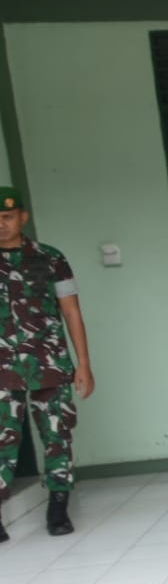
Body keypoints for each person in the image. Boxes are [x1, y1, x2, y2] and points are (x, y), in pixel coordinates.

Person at [0, 185, 92, 542]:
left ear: (22, 217)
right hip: (2, 369)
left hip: (49, 363)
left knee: (57, 435)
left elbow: (72, 312)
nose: (1, 224)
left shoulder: (51, 258)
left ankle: (58, 509)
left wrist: (83, 364)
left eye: (8, 216)